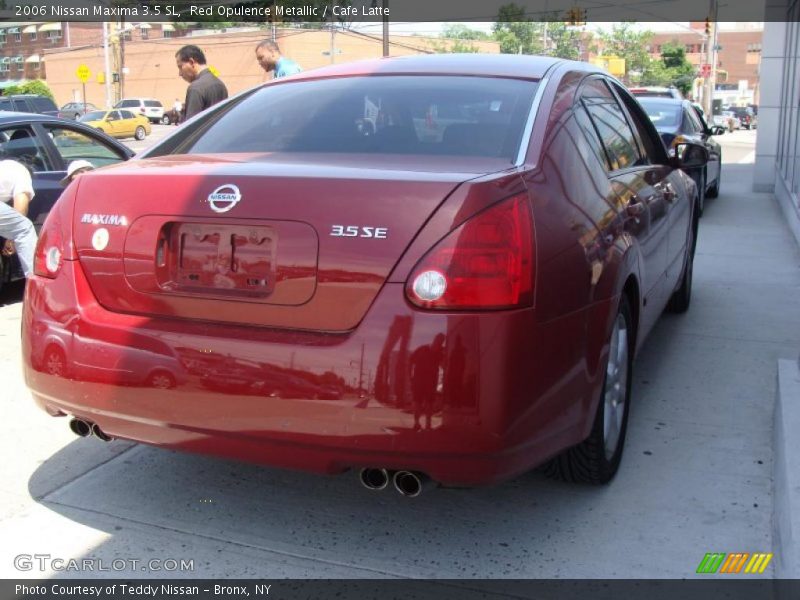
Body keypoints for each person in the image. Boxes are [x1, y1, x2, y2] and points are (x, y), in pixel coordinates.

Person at [0, 159, 38, 278]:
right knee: (25, 229)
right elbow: (21, 205)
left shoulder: (5, 167)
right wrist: (12, 239)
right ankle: (36, 283)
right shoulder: (22, 172)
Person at [175, 45, 228, 121]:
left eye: (180, 67)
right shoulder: (220, 84)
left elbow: (191, 126)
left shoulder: (195, 88)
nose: (180, 73)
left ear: (191, 62)